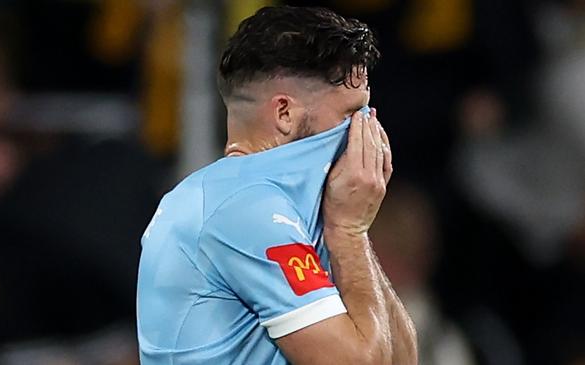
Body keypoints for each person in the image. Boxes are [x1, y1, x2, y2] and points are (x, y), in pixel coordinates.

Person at [136, 6, 417, 365]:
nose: (368, 131)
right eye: (351, 114)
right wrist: (349, 231)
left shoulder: (283, 209)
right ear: (284, 113)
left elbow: (402, 358)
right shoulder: (245, 208)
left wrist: (351, 228)